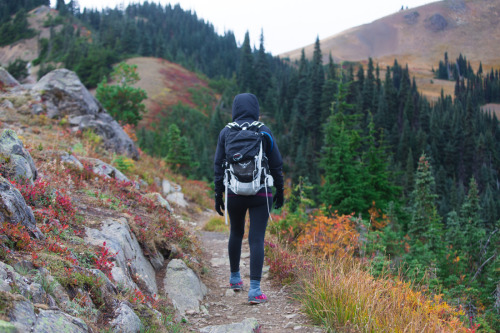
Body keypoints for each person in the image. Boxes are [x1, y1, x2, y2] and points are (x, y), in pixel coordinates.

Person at [214, 93, 284, 304]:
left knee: (235, 233)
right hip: (260, 193)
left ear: (235, 108)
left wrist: (219, 194)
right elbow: (276, 164)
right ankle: (255, 290)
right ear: (255, 108)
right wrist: (280, 190)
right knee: (256, 239)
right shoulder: (263, 131)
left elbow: (218, 165)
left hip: (234, 192)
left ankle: (235, 279)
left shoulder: (226, 131)